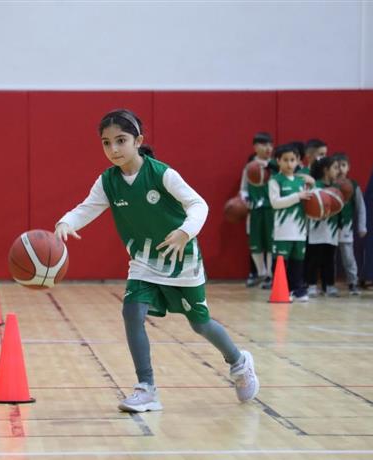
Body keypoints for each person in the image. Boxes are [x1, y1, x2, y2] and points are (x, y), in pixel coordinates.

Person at [55, 109, 260, 412]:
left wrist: (184, 232)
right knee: (132, 312)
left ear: (138, 140)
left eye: (121, 141)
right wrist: (66, 222)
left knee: (200, 324)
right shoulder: (108, 181)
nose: (113, 149)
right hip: (143, 261)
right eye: (106, 143)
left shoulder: (161, 173)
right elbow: (87, 208)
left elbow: (198, 204)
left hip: (181, 258)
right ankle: (146, 387)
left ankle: (239, 362)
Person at [269, 144, 315, 301]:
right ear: (278, 161)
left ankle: (298, 289)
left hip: (300, 230)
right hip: (282, 231)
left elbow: (313, 200)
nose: (289, 164)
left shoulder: (302, 181)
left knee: (298, 262)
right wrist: (297, 196)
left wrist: (313, 183)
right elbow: (275, 203)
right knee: (281, 262)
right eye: (285, 160)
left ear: (298, 161)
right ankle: (282, 289)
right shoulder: (275, 181)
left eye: (292, 160)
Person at [240, 132, 274, 289]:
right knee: (255, 243)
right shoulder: (249, 166)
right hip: (255, 210)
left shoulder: (276, 165)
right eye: (264, 144)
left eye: (270, 145)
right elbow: (243, 189)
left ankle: (270, 275)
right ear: (255, 147)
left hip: (272, 210)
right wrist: (245, 200)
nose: (268, 148)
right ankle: (260, 273)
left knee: (270, 243)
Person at [305, 156, 341, 297]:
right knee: (314, 259)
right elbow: (308, 207)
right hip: (316, 229)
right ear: (326, 170)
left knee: (329, 259)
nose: (338, 171)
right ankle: (312, 285)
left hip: (331, 230)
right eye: (335, 168)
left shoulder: (336, 188)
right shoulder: (315, 187)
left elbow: (340, 209)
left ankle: (329, 285)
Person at [334, 153, 367, 295]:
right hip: (329, 228)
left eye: (343, 165)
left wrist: (362, 226)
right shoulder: (328, 185)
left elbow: (361, 207)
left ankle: (353, 282)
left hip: (346, 228)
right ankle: (328, 283)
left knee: (348, 257)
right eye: (337, 166)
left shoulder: (353, 186)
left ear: (348, 168)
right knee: (328, 258)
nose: (340, 169)